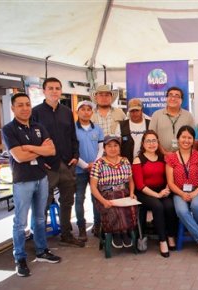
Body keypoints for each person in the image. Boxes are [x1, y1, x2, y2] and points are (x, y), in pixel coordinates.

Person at [2, 93, 61, 277]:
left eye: (28, 104)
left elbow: (51, 150)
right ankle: (19, 258)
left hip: (41, 177)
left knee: (40, 218)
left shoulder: (38, 127)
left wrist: (31, 148)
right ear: (13, 108)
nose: (25, 108)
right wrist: (40, 150)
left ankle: (42, 251)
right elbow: (19, 157)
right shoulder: (9, 129)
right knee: (20, 223)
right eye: (20, 105)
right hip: (23, 180)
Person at [32, 77, 84, 247]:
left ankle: (66, 233)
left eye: (57, 88)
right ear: (44, 91)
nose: (54, 91)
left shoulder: (67, 112)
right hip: (47, 166)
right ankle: (40, 240)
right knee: (44, 203)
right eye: (51, 88)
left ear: (61, 91)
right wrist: (40, 160)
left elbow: (72, 137)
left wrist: (75, 156)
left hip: (67, 163)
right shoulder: (36, 112)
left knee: (67, 200)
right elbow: (33, 141)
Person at [165, 125, 198, 260]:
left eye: (189, 138)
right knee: (181, 211)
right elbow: (170, 182)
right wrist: (182, 194)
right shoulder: (171, 158)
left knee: (197, 206)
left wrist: (195, 192)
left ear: (193, 140)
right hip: (179, 192)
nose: (186, 140)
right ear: (178, 139)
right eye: (183, 137)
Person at [132, 130, 178, 258]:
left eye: (154, 141)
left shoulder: (164, 159)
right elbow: (140, 185)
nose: (151, 144)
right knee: (158, 206)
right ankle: (162, 241)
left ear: (158, 142)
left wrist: (167, 190)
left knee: (170, 206)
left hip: (162, 190)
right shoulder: (138, 160)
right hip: (145, 192)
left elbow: (170, 177)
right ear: (143, 143)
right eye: (148, 141)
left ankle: (170, 236)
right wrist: (157, 195)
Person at [90, 135, 138, 248]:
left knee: (129, 205)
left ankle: (125, 231)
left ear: (119, 147)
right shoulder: (98, 164)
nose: (113, 148)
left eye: (116, 145)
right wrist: (103, 201)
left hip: (123, 193)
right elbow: (93, 187)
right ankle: (117, 233)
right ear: (104, 148)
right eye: (109, 146)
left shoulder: (125, 161)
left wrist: (132, 193)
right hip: (105, 195)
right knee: (114, 205)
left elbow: (131, 181)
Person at [74, 100, 104, 241]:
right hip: (78, 170)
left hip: (95, 170)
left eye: (88, 109)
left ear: (92, 112)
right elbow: (71, 150)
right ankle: (81, 228)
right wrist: (85, 165)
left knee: (96, 199)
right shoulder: (71, 129)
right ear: (77, 111)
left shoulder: (97, 129)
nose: (86, 112)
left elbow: (101, 148)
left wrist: (94, 164)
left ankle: (97, 226)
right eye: (83, 109)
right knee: (79, 199)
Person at [149, 86, 194, 155]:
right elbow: (151, 136)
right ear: (166, 98)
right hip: (161, 156)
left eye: (177, 96)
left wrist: (181, 154)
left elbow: (192, 137)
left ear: (181, 100)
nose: (173, 98)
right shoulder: (156, 115)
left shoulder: (188, 116)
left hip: (182, 157)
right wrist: (164, 152)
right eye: (170, 95)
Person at [118, 98, 150, 163]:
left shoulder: (150, 123)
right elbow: (117, 144)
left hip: (146, 163)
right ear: (129, 111)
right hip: (126, 163)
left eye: (137, 110)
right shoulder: (121, 125)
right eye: (132, 111)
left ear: (142, 110)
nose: (134, 113)